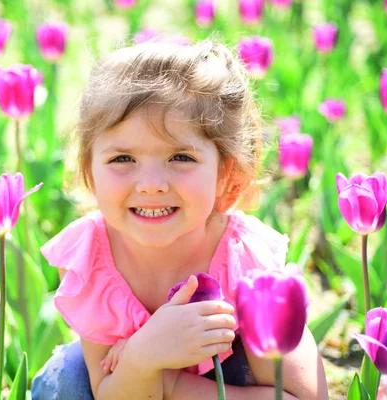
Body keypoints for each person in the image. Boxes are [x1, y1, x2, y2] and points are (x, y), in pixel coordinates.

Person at [31, 38, 328, 400]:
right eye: (122, 159)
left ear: (224, 171)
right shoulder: (90, 258)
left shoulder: (246, 263)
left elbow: (304, 397)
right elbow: (107, 392)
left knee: (237, 368)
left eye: (181, 158)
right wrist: (143, 356)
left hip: (227, 388)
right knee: (69, 380)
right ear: (89, 172)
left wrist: (169, 383)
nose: (152, 185)